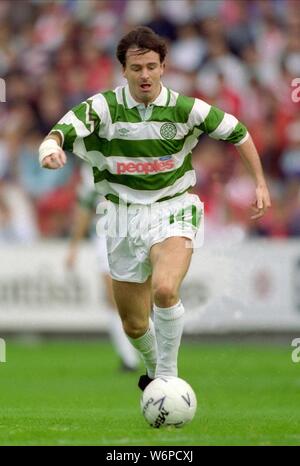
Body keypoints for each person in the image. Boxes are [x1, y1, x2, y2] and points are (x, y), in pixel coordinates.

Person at [38, 26, 271, 391]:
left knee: (164, 289)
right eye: (136, 68)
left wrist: (259, 182)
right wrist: (50, 150)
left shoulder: (184, 108)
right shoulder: (103, 108)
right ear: (124, 71)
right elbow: (58, 133)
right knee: (134, 324)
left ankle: (167, 377)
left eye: (151, 66)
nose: (144, 74)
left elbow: (238, 131)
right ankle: (153, 367)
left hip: (172, 207)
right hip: (120, 216)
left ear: (163, 66)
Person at [65, 164, 139, 372]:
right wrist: (73, 247)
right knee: (114, 298)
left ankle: (155, 354)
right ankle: (128, 358)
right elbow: (84, 210)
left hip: (137, 229)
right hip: (106, 233)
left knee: (143, 296)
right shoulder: (91, 170)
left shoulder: (132, 157)